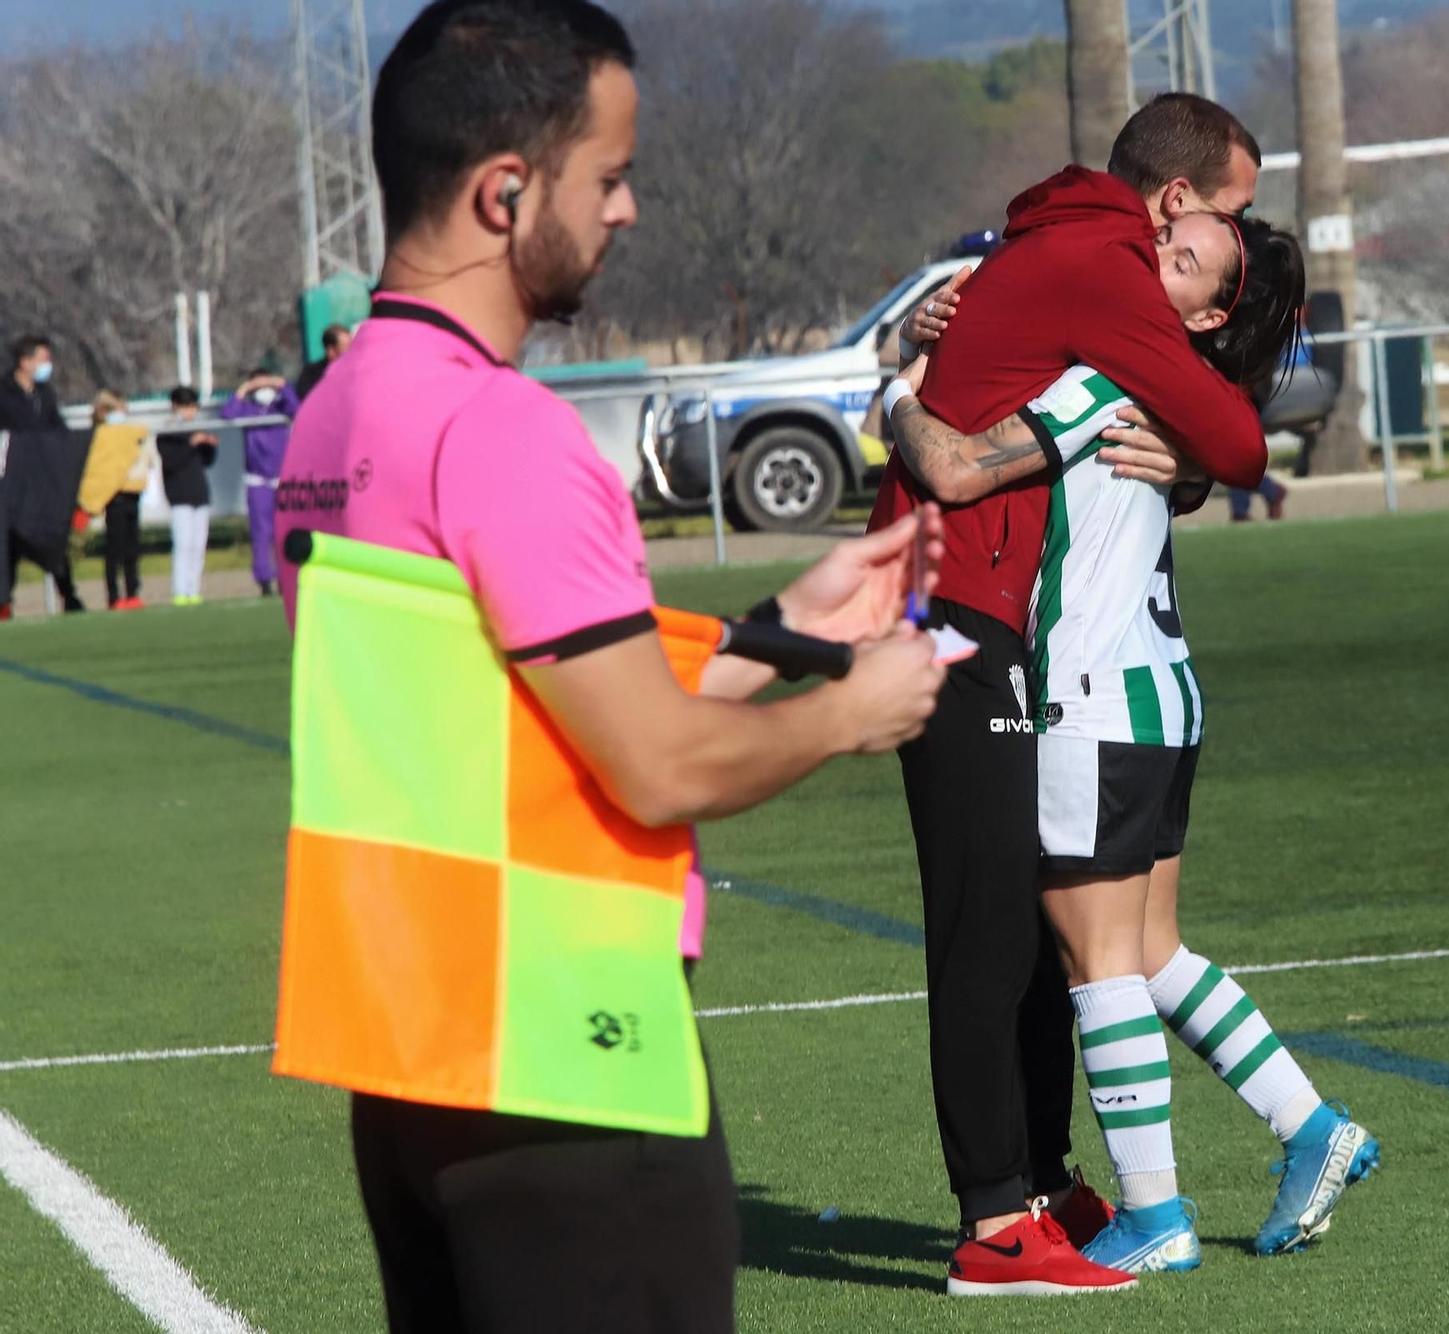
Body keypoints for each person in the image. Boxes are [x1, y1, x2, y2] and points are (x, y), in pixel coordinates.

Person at [273, 5, 945, 1332]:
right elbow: (654, 764)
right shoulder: (503, 428)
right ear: (505, 190)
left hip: (418, 1056)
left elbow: (514, 726)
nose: (628, 208)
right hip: (573, 1059)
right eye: (608, 175)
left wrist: (784, 623)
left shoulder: (335, 409)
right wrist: (847, 710)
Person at [890, 210, 1378, 1273]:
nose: (1146, 256)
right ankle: (1307, 1124)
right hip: (1163, 700)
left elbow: (960, 467)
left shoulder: (1100, 382)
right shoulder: (1169, 390)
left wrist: (896, 393)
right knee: (1151, 950)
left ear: (1203, 313)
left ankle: (1154, 1214)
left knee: (1093, 960)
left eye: (1178, 260)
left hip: (1093, 700)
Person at [866, 91, 1275, 1296]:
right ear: (1172, 200)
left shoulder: (1052, 249)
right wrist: (902, 390)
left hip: (990, 621)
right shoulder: (1099, 261)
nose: (1231, 254)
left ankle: (1040, 1184)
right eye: (1227, 218)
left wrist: (1178, 468)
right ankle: (995, 1222)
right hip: (952, 616)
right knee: (985, 920)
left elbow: (1100, 434)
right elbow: (1239, 439)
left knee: (1033, 919)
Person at [0, 333, 87, 617]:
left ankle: (69, 595)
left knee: (51, 535)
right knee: (9, 540)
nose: (47, 365)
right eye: (42, 359)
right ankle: (4, 601)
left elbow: (56, 429)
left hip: (40, 479)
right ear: (25, 362)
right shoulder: (4, 392)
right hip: (11, 480)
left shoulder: (44, 393)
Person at [220, 362, 300, 595]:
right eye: (259, 386)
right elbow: (227, 414)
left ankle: (287, 577)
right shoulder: (247, 409)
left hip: (282, 478)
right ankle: (264, 578)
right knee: (261, 532)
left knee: (284, 531)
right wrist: (244, 389)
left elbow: (296, 407)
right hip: (257, 480)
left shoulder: (279, 406)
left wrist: (280, 384)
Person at [76, 391, 155, 610]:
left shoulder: (130, 432)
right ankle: (114, 596)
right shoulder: (100, 435)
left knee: (132, 547)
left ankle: (132, 592)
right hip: (114, 497)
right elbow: (99, 470)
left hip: (132, 493)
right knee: (114, 549)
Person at [154, 386, 217, 606]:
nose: (190, 412)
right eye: (186, 407)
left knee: (198, 545)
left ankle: (194, 589)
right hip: (179, 495)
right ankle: (180, 591)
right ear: (175, 407)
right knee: (183, 544)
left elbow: (207, 461)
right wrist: (191, 443)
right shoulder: (168, 432)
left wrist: (209, 445)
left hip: (200, 493)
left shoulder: (198, 428)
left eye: (193, 407)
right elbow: (171, 462)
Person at [295, 323, 351, 402]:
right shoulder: (311, 373)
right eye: (346, 345)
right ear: (331, 350)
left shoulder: (354, 370)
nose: (351, 349)